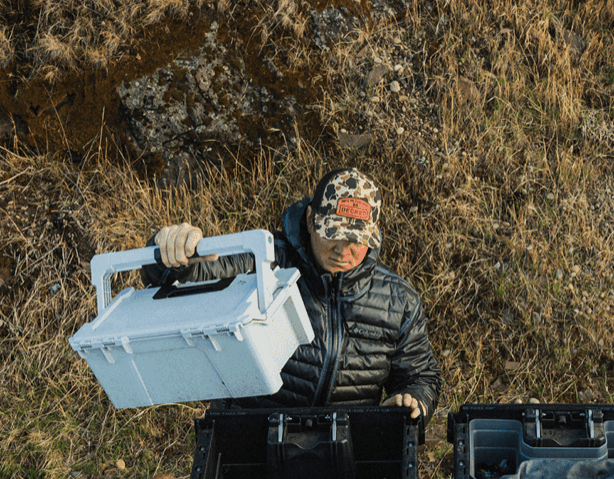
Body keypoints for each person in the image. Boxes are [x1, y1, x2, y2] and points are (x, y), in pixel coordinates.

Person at [147, 168, 440, 418]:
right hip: (251, 435)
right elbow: (187, 276)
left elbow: (420, 377)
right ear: (311, 219)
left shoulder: (399, 300)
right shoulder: (263, 260)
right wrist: (171, 253)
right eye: (332, 233)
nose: (343, 250)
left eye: (356, 240)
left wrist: (413, 399)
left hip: (348, 446)